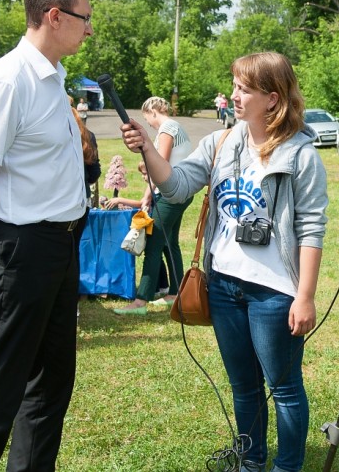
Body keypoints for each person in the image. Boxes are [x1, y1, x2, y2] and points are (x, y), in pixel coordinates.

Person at [120, 52, 328, 472]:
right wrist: (146, 146)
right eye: (234, 86)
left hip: (275, 293)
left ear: (272, 99)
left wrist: (304, 296)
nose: (233, 96)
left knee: (284, 388)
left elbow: (311, 229)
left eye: (243, 89)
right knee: (243, 386)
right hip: (225, 286)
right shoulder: (221, 142)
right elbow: (176, 186)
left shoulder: (300, 154)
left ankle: (287, 467)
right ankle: (251, 463)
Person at [0, 0, 92, 471]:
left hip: (57, 247)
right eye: (84, 18)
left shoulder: (51, 78)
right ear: (55, 17)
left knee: (51, 384)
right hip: (19, 249)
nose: (89, 29)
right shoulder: (9, 79)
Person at [113, 96, 193, 315]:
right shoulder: (175, 128)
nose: (146, 121)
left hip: (170, 193)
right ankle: (175, 293)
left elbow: (161, 165)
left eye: (146, 116)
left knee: (154, 243)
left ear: (153, 111)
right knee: (170, 244)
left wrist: (148, 194)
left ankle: (141, 301)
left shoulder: (168, 128)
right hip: (180, 192)